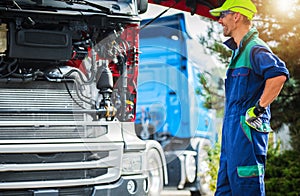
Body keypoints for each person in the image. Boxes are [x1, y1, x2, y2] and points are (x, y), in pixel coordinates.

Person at [209, 0, 290, 195]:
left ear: (236, 16)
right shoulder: (239, 52)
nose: (219, 20)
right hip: (232, 134)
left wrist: (259, 109)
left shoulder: (255, 48)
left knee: (246, 188)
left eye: (223, 15)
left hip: (246, 133)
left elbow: (278, 75)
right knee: (225, 189)